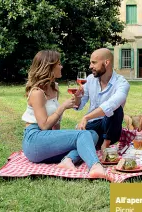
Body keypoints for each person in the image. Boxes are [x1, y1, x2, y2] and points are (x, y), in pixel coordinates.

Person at [21, 50, 107, 179]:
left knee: (92, 134)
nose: (61, 66)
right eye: (59, 64)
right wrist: (62, 107)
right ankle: (95, 167)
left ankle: (68, 160)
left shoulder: (54, 87)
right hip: (35, 141)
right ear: (49, 66)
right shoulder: (37, 93)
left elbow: (55, 125)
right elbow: (44, 125)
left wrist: (77, 98)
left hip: (46, 140)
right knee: (83, 134)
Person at [75, 48, 130, 150]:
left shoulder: (122, 83)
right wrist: (77, 97)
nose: (90, 66)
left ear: (106, 62)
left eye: (94, 63)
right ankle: (72, 157)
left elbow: (111, 104)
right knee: (79, 142)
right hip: (93, 125)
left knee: (116, 109)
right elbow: (79, 105)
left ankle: (105, 145)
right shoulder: (89, 79)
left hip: (111, 128)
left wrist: (86, 117)